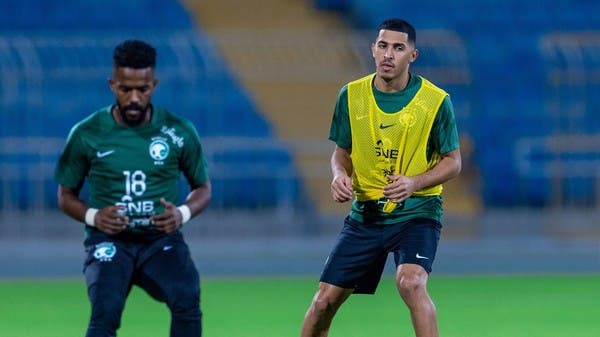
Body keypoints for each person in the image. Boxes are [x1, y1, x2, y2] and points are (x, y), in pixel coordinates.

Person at [300, 18, 461, 337]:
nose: (389, 54)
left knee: (411, 283)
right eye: (383, 46)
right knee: (322, 303)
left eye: (398, 48)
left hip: (417, 212)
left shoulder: (435, 101)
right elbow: (341, 152)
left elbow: (453, 162)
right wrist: (338, 174)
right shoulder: (351, 95)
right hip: (366, 215)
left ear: (412, 56)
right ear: (373, 49)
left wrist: (414, 182)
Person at [54, 39, 211, 337]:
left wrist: (182, 213)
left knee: (187, 297)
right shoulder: (87, 133)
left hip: (159, 241)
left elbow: (202, 188)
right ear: (112, 84)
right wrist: (94, 217)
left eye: (143, 89)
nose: (134, 98)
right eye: (126, 89)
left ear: (154, 84)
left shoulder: (178, 132)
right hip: (109, 241)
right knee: (105, 311)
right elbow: (65, 195)